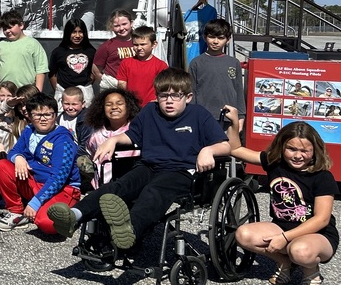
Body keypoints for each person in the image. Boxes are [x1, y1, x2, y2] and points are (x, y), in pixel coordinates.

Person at [48, 69, 231, 251]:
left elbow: (226, 146)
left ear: (188, 97)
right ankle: (74, 216)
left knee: (154, 191)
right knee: (118, 186)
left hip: (181, 171)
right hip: (149, 166)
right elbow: (132, 136)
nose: (168, 101)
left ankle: (130, 231)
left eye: (175, 96)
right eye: (163, 95)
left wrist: (208, 150)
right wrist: (113, 139)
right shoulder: (150, 111)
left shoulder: (199, 115)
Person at [225, 107, 338, 285]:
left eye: (305, 151)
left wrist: (284, 238)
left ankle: (311, 272)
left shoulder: (322, 176)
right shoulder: (274, 162)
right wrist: (235, 122)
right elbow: (236, 150)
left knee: (299, 250)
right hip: (282, 226)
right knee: (243, 234)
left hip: (318, 234)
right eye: (291, 149)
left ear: (315, 150)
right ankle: (285, 262)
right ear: (282, 146)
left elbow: (322, 219)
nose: (298, 155)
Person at [0, 93, 79, 234]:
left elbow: (59, 177)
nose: (43, 119)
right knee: (2, 166)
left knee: (47, 224)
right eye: (37, 115)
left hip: (62, 188)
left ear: (55, 115)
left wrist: (35, 202)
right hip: (34, 181)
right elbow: (13, 151)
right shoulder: (29, 130)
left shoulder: (63, 140)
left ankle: (69, 212)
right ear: (30, 116)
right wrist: (18, 158)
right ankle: (16, 212)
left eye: (48, 114)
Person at [74, 87, 141, 190]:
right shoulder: (97, 135)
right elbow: (91, 153)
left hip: (131, 184)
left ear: (129, 106)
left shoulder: (137, 130)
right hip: (103, 185)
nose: (114, 107)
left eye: (119, 103)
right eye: (109, 104)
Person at [189, 18, 245, 123]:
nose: (215, 41)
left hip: (229, 117)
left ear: (228, 39)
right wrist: (191, 114)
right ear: (204, 37)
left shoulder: (234, 62)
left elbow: (238, 90)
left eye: (220, 38)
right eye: (211, 37)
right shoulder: (196, 63)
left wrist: (241, 116)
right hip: (203, 117)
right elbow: (191, 91)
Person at [0, 10, 47, 90]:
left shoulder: (33, 44)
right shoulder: (0, 45)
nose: (7, 31)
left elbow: (41, 69)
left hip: (26, 90)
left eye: (10, 27)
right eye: (5, 29)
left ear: (21, 25)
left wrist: (38, 90)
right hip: (4, 91)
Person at [49, 18, 97, 105]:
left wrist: (87, 85)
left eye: (80, 32)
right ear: (68, 33)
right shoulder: (58, 52)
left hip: (85, 93)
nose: (77, 35)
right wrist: (59, 90)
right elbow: (52, 74)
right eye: (74, 32)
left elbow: (94, 72)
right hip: (63, 92)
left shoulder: (91, 51)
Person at [117, 25, 167, 105]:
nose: (139, 48)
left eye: (143, 44)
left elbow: (164, 88)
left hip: (152, 106)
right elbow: (121, 85)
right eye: (136, 45)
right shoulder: (126, 63)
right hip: (131, 106)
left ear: (154, 44)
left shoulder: (161, 65)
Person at [92, 9, 135, 89]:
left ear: (131, 23)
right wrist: (106, 83)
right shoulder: (107, 46)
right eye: (117, 26)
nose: (121, 28)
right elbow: (96, 68)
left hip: (135, 84)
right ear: (112, 27)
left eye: (124, 24)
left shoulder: (138, 43)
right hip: (113, 85)